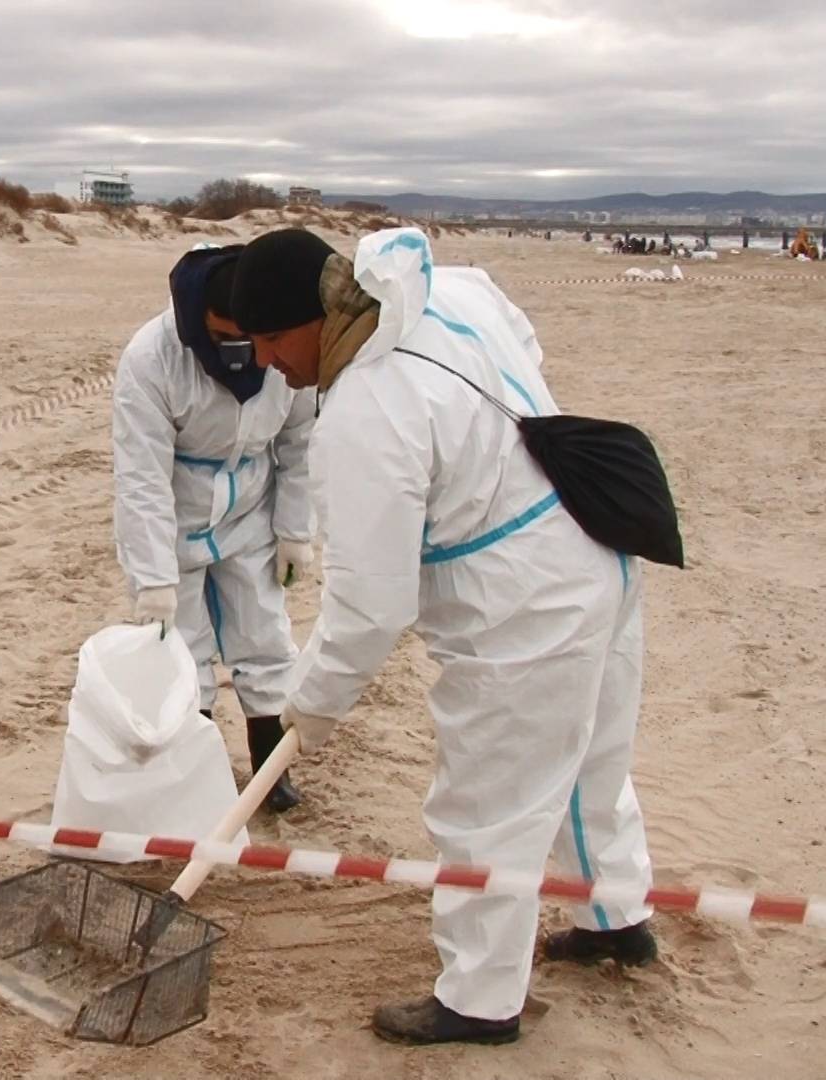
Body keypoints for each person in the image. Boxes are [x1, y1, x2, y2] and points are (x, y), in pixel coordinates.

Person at [232, 227, 656, 1045]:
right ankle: (615, 919)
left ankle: (480, 999)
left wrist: (308, 708)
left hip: (524, 604)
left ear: (316, 318)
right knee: (587, 762)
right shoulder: (445, 289)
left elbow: (371, 604)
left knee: (488, 803)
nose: (267, 362)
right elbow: (521, 336)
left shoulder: (363, 410)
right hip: (595, 547)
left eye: (274, 339)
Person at [112, 244, 316, 812]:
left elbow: (300, 445)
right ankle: (191, 773)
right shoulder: (153, 358)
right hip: (176, 516)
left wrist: (295, 530)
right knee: (185, 652)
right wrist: (152, 578)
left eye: (254, 340)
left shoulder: (279, 347)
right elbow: (141, 477)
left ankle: (270, 772)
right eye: (230, 339)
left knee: (267, 638)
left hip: (250, 509)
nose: (247, 354)